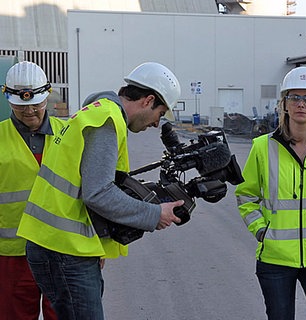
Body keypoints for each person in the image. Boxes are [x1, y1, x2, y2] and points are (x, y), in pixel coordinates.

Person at [16, 62, 185, 319]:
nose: (155, 123)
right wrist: (153, 214)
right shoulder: (107, 121)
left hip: (59, 245)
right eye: (160, 113)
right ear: (148, 100)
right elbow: (99, 193)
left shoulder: (96, 112)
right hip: (64, 250)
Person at [235, 66, 306, 320]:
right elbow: (246, 195)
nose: (301, 104)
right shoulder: (262, 147)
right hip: (275, 256)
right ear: (284, 104)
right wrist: (261, 230)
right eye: (294, 97)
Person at [0, 61, 60, 320]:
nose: (30, 111)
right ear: (9, 99)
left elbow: (86, 195)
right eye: (21, 106)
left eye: (36, 103)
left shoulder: (68, 135)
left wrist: (96, 247)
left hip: (61, 250)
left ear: (47, 96)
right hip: (12, 255)